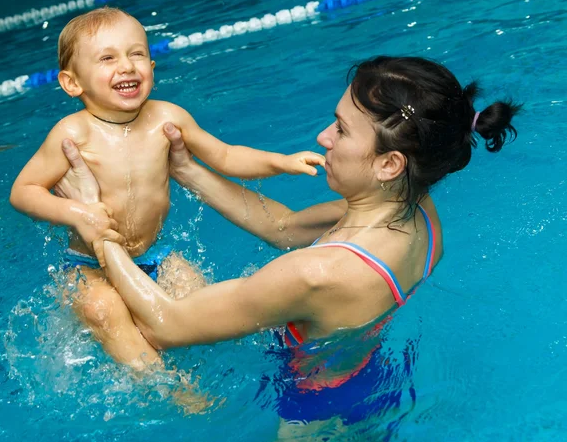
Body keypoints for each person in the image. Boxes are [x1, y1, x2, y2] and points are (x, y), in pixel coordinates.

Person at [56, 56, 519, 430]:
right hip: (373, 379)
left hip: (313, 417)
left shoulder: (319, 274)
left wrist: (97, 228)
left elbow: (166, 325)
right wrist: (188, 170)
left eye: (340, 129)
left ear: (389, 164)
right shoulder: (418, 214)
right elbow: (286, 227)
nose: (324, 138)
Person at [9, 6, 324, 370]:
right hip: (89, 264)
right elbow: (24, 190)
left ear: (152, 69)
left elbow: (225, 155)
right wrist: (77, 213)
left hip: (153, 255)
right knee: (102, 310)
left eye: (137, 54)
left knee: (200, 301)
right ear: (72, 83)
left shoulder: (166, 117)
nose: (126, 66)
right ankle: (160, 381)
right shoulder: (72, 133)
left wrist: (280, 162)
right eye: (108, 58)